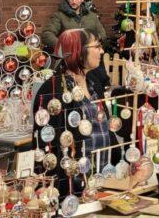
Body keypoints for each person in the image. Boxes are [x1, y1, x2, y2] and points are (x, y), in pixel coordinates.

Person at [33, 29, 115, 192]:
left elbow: (105, 128)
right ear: (79, 51)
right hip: (73, 187)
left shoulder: (94, 83)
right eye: (96, 46)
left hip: (104, 181)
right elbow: (49, 145)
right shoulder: (54, 91)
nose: (101, 51)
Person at [41, 0, 106, 50]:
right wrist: (63, 46)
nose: (74, 1)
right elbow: (47, 34)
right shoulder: (59, 16)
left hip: (88, 55)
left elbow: (103, 34)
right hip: (68, 55)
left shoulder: (92, 16)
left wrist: (92, 40)